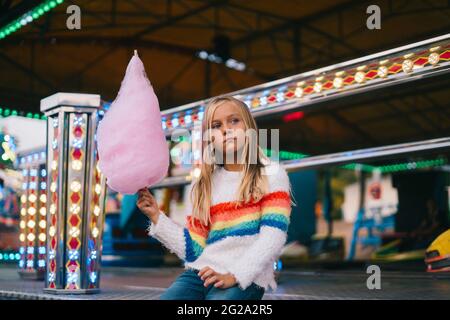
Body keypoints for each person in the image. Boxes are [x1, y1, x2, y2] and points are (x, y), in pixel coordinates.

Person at [137, 96, 294, 300]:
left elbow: (273, 237)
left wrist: (236, 275)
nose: (226, 129)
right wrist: (157, 216)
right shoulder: (203, 184)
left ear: (249, 127)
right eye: (216, 125)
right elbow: (193, 249)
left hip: (246, 277)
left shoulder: (272, 175)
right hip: (200, 274)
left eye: (234, 121)